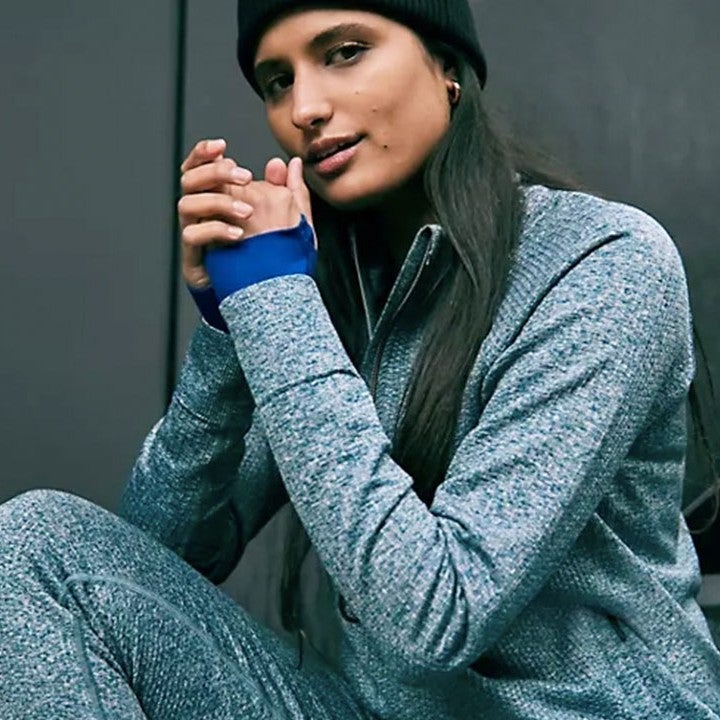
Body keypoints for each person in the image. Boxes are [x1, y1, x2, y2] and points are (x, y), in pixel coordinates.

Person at [1, 1, 719, 718]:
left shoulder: (603, 263)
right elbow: (153, 562)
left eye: (344, 52)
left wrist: (272, 300)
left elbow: (436, 618)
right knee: (36, 546)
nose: (304, 109)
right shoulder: (324, 295)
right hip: (367, 710)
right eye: (277, 81)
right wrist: (228, 327)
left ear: (446, 65)